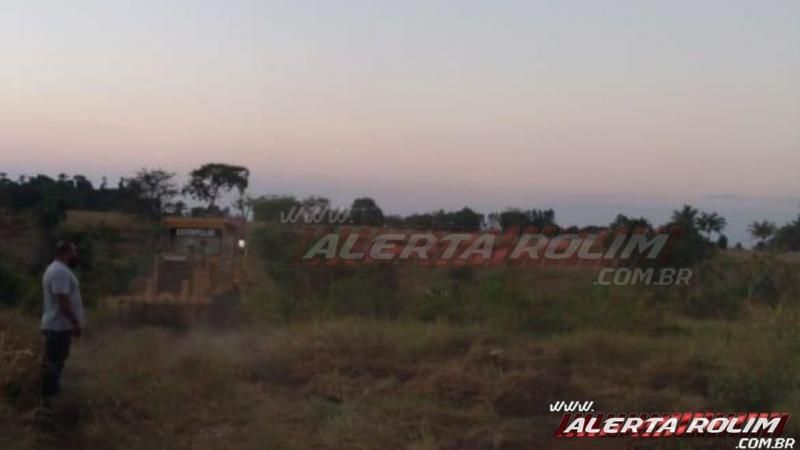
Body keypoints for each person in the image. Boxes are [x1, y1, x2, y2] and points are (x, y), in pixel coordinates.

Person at [40, 241, 84, 406]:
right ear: (66, 253)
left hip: (57, 326)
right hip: (57, 326)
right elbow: (62, 300)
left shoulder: (58, 270)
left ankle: (50, 397)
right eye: (74, 253)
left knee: (56, 362)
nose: (75, 256)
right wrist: (75, 322)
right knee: (53, 364)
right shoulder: (59, 272)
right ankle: (47, 401)